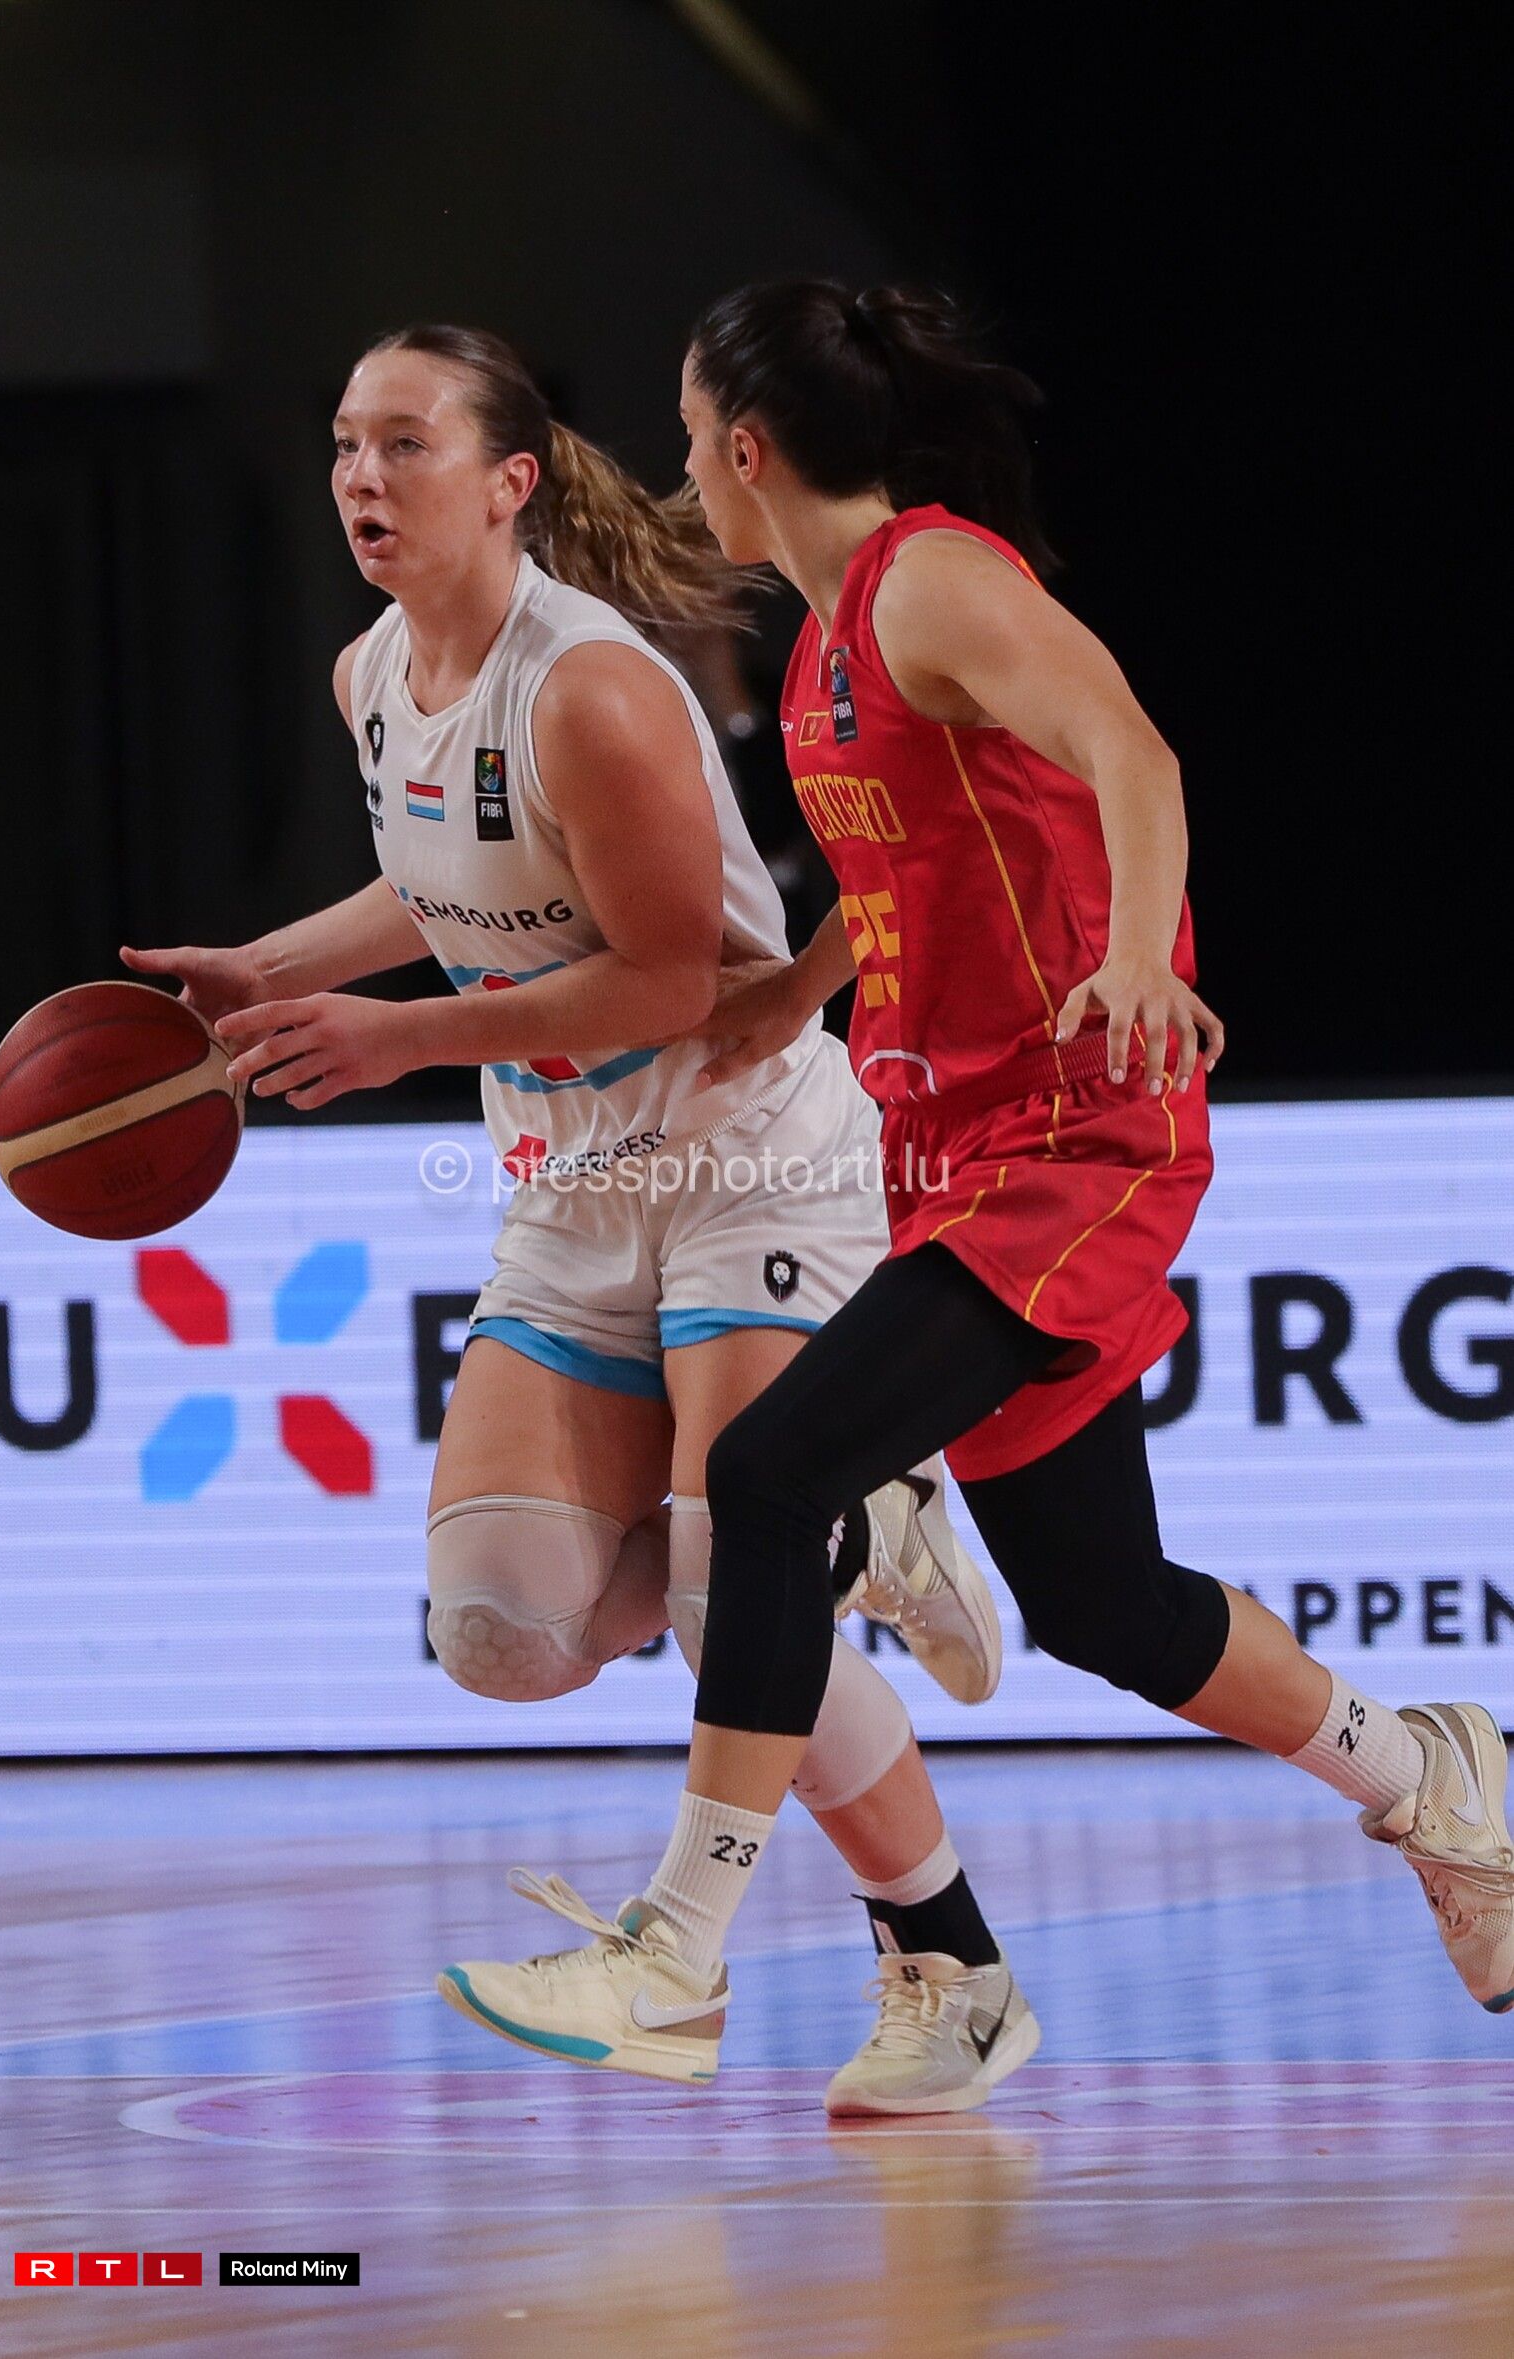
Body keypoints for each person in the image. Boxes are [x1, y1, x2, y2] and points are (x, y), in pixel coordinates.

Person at [451, 278, 1514, 2100]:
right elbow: (911, 877)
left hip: (1078, 1139)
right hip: (945, 1149)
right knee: (1105, 1603)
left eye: (692, 436)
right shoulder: (819, 640)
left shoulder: (931, 581)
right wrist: (795, 991)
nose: (687, 470)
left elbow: (1130, 751)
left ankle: (676, 1954)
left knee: (767, 1476)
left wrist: (1141, 955)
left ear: (747, 446)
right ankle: (1437, 1779)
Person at [123, 320, 1041, 2116]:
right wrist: (275, 967)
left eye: (404, 444)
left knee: (719, 1592)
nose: (362, 477)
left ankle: (947, 1960)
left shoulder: (594, 688)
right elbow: (439, 883)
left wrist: (392, 1040)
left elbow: (668, 979)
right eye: (344, 444)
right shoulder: (371, 673)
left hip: (746, 1154)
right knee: (504, 1632)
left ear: (509, 482)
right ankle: (850, 1527)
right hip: (570, 1181)